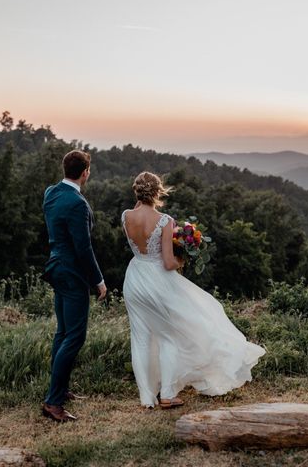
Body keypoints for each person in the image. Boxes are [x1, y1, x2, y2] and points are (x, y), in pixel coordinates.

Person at [121, 172, 265, 409]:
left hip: (135, 278)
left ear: (136, 192)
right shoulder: (165, 220)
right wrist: (182, 260)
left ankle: (147, 397)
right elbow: (168, 263)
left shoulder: (126, 216)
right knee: (169, 337)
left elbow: (139, 218)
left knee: (141, 339)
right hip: (158, 280)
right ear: (158, 192)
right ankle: (166, 394)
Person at [41, 149, 107, 422]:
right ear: (85, 173)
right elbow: (83, 247)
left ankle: (60, 389)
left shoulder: (50, 193)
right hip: (72, 273)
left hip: (55, 267)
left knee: (63, 332)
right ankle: (53, 402)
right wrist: (98, 280)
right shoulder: (77, 203)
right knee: (75, 336)